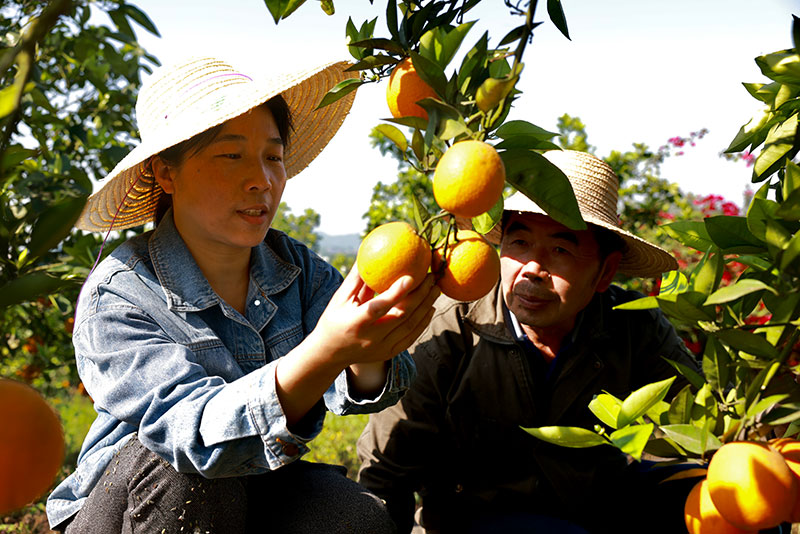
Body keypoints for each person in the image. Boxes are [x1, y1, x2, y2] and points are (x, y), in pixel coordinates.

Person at [46, 56, 440, 533]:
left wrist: (367, 353)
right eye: (231, 155)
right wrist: (327, 348)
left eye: (273, 156)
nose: (263, 180)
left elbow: (362, 382)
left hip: (256, 488)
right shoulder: (122, 294)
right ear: (165, 174)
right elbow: (191, 437)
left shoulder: (296, 268)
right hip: (132, 506)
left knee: (355, 516)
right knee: (187, 477)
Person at [357, 150, 702, 534]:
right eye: (519, 243)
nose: (533, 270)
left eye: (560, 250)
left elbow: (696, 429)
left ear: (605, 271)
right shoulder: (448, 332)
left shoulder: (634, 327)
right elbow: (385, 475)